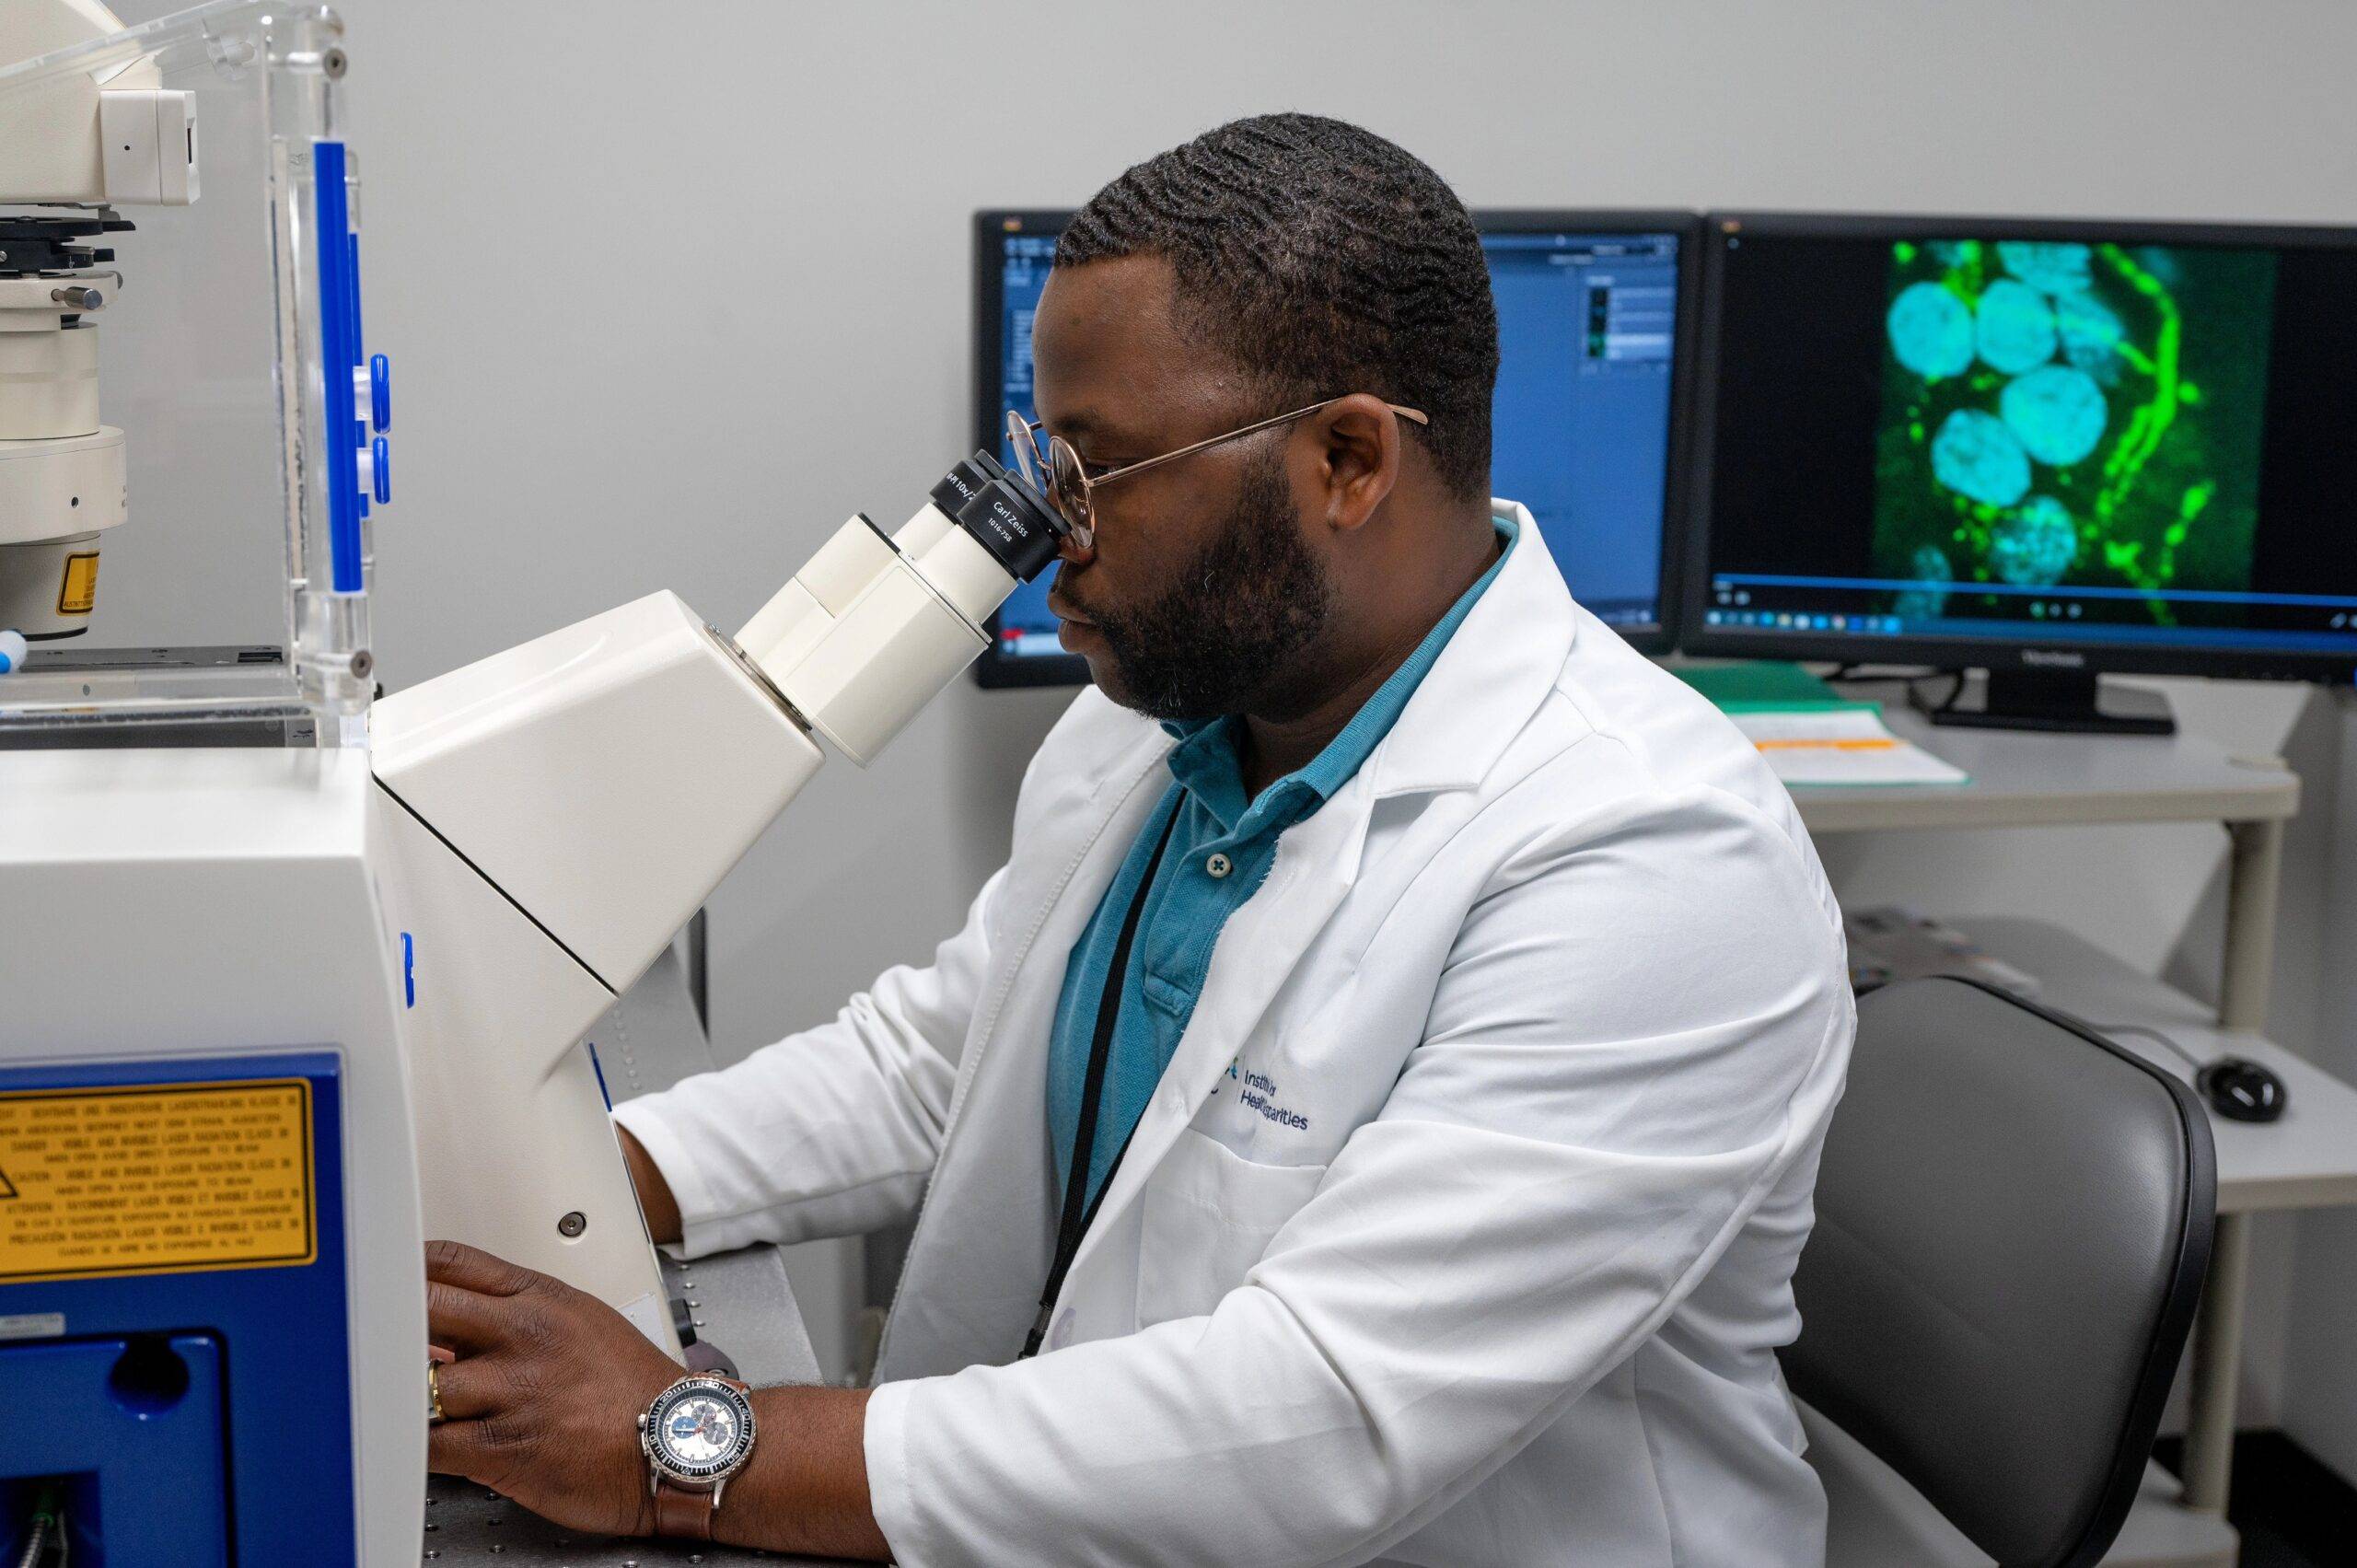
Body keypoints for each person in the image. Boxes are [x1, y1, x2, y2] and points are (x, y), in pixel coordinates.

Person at [423, 112, 1854, 1567]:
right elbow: (943, 1063)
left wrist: (677, 1440)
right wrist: (540, 1182)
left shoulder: (1649, 860)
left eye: (1096, 473)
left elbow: (1321, 1417)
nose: (1051, 539)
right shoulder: (1156, 724)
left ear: (1348, 460)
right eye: (1045, 464)